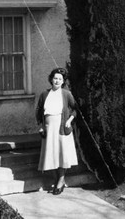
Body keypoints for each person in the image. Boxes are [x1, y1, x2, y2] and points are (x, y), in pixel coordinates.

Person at [36, 67, 78, 195]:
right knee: (51, 155)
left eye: (60, 79)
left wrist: (69, 120)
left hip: (62, 129)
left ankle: (60, 180)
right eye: (55, 78)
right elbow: (39, 111)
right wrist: (41, 125)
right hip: (49, 130)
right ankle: (58, 178)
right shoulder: (44, 94)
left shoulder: (66, 94)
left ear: (63, 81)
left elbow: (76, 109)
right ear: (51, 79)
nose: (57, 81)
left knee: (62, 155)